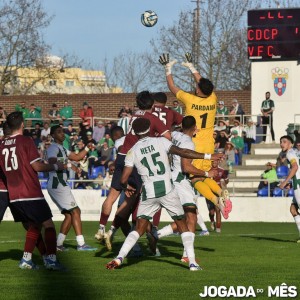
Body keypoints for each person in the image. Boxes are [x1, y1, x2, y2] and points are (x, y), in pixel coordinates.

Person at [105, 117, 221, 271]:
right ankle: (192, 263)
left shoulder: (132, 151)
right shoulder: (161, 141)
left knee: (139, 229)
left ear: (134, 132)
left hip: (149, 193)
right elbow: (183, 152)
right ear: (149, 128)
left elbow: (124, 178)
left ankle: (119, 258)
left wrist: (126, 186)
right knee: (182, 225)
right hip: (167, 190)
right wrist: (208, 156)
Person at [94, 91, 171, 249]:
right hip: (134, 160)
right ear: (153, 104)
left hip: (121, 156)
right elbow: (168, 137)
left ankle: (101, 228)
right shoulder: (153, 119)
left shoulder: (134, 115)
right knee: (130, 201)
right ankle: (113, 230)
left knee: (111, 197)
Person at [159, 52, 232, 215]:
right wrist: (192, 67)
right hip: (209, 142)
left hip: (194, 143)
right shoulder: (212, 98)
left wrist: (167, 69)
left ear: (198, 90)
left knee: (195, 178)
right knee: (207, 176)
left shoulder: (190, 99)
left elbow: (172, 88)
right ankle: (220, 193)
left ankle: (216, 201)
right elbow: (203, 83)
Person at [0, 111, 65, 270]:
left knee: (34, 225)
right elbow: (37, 166)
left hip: (13, 195)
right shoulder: (26, 141)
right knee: (48, 225)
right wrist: (56, 166)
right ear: (22, 124)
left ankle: (27, 259)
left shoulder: (1, 145)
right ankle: (51, 260)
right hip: (30, 191)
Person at [156, 116, 219, 262]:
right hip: (180, 182)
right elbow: (186, 167)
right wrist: (206, 173)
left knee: (184, 218)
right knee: (191, 217)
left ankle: (157, 235)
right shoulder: (188, 143)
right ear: (194, 128)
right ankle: (186, 255)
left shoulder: (175, 135)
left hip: (170, 179)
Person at [46, 125, 97, 251]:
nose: (62, 134)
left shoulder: (62, 148)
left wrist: (87, 148)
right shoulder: (53, 147)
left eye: (62, 132)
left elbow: (77, 157)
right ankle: (81, 244)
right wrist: (69, 165)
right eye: (58, 132)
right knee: (76, 211)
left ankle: (58, 245)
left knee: (69, 215)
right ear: (52, 136)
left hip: (59, 184)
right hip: (58, 184)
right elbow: (52, 161)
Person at [278, 135, 300, 242]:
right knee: (293, 209)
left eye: (284, 142)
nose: (282, 144)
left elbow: (296, 167)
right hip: (296, 182)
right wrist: (290, 183)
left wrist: (285, 182)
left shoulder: (290, 153)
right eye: (281, 142)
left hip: (299, 185)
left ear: (291, 144)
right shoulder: (296, 152)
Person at [205, 159, 229, 233]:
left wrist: (225, 181)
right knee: (211, 212)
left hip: (218, 192)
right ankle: (212, 221)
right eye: (212, 161)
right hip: (209, 192)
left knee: (218, 210)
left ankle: (218, 228)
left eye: (215, 161)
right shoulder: (207, 170)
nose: (214, 163)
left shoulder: (221, 171)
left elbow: (226, 180)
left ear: (218, 162)